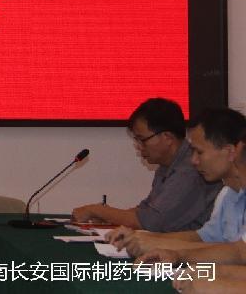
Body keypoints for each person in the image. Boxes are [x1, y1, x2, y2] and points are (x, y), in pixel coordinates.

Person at [107, 108, 246, 257]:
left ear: (230, 152)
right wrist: (142, 238)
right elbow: (204, 237)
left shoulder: (190, 174)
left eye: (199, 152)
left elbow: (239, 253)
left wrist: (174, 253)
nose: (193, 160)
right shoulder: (227, 194)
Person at [72, 98, 221, 231]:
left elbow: (152, 222)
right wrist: (107, 217)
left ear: (167, 137)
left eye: (142, 140)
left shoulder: (189, 169)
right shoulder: (167, 165)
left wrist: (98, 210)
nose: (138, 146)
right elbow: (145, 210)